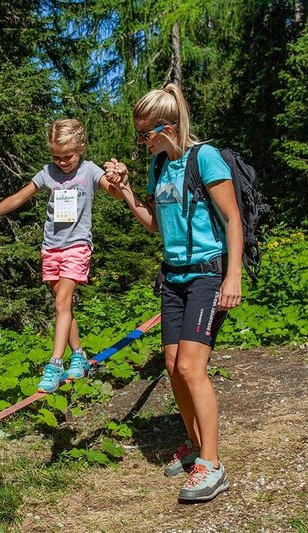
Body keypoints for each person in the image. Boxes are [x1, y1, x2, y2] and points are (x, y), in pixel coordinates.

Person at [103, 83, 243, 503]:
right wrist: (126, 194)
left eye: (145, 134)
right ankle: (195, 444)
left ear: (167, 127)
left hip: (207, 274)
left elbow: (233, 219)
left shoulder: (206, 159)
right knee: (171, 363)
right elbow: (157, 226)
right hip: (173, 277)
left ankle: (212, 466)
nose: (141, 142)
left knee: (191, 367)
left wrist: (232, 276)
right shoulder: (159, 167)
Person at [0, 118, 122, 393]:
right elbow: (20, 197)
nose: (63, 162)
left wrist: (120, 181)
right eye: (57, 157)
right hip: (51, 247)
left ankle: (54, 364)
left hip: (77, 245)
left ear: (81, 148)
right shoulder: (47, 173)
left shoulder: (90, 171)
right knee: (61, 305)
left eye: (68, 156)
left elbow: (115, 193)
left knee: (62, 302)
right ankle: (78, 354)